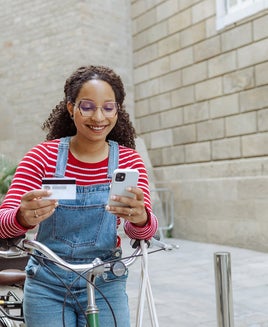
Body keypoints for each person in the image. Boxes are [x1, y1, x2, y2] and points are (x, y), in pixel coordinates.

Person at [0, 65, 158, 327]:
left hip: (106, 281)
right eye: (87, 106)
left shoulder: (129, 161)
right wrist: (21, 217)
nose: (99, 117)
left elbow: (142, 233)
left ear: (117, 110)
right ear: (71, 107)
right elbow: (4, 222)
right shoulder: (41, 157)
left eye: (108, 107)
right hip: (48, 284)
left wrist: (141, 219)